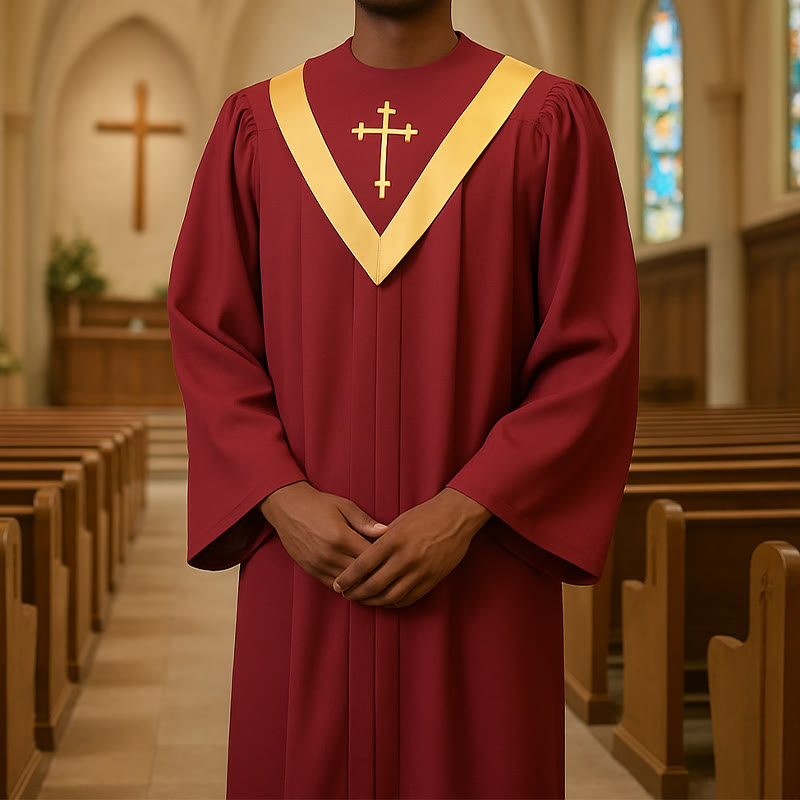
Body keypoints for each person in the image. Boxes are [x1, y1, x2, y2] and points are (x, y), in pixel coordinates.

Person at [167, 0, 639, 797]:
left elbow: (592, 353)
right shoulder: (259, 127)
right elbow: (211, 339)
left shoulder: (545, 121)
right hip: (303, 561)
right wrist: (280, 496)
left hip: (481, 562)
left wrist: (465, 509)